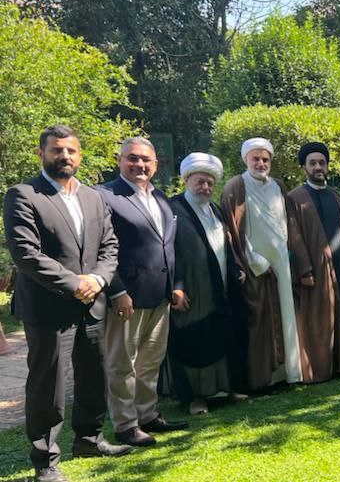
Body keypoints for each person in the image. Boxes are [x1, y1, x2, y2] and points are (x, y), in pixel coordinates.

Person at [3, 125, 131, 482]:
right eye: (57, 150)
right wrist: (76, 284)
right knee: (48, 385)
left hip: (92, 304)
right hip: (49, 308)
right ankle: (45, 460)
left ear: (80, 155)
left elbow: (109, 246)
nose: (65, 156)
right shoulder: (24, 195)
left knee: (94, 375)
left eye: (71, 151)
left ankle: (89, 439)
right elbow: (26, 253)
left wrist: (99, 280)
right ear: (41, 153)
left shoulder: (93, 197)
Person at [100, 137, 186, 447]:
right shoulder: (105, 196)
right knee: (122, 363)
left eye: (146, 160)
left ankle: (147, 415)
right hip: (127, 297)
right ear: (120, 160)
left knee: (150, 360)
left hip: (160, 294)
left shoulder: (160, 197)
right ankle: (125, 425)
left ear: (155, 164)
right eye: (133, 158)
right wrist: (116, 291)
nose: (140, 164)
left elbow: (168, 245)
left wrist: (176, 285)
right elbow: (101, 249)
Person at [221, 138, 312, 389]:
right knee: (259, 322)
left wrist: (295, 262)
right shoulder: (235, 186)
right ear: (245, 160)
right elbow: (232, 230)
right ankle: (262, 379)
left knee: (287, 316)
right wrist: (254, 261)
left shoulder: (278, 186)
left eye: (265, 159)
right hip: (254, 266)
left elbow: (289, 225)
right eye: (256, 159)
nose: (261, 163)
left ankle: (289, 373)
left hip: (282, 263)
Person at [167, 153, 247, 415]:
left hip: (218, 288)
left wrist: (235, 269)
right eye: (200, 182)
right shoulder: (173, 209)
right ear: (187, 180)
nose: (205, 187)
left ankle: (224, 389)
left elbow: (225, 245)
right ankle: (195, 397)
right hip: (190, 291)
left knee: (220, 337)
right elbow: (166, 252)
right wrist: (175, 286)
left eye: (210, 183)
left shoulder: (214, 210)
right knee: (193, 340)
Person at [289, 142, 340, 380]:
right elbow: (293, 236)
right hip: (316, 269)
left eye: (322, 163)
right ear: (304, 167)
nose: (318, 167)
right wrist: (304, 269)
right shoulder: (295, 197)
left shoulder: (335, 195)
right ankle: (322, 369)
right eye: (312, 163)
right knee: (320, 317)